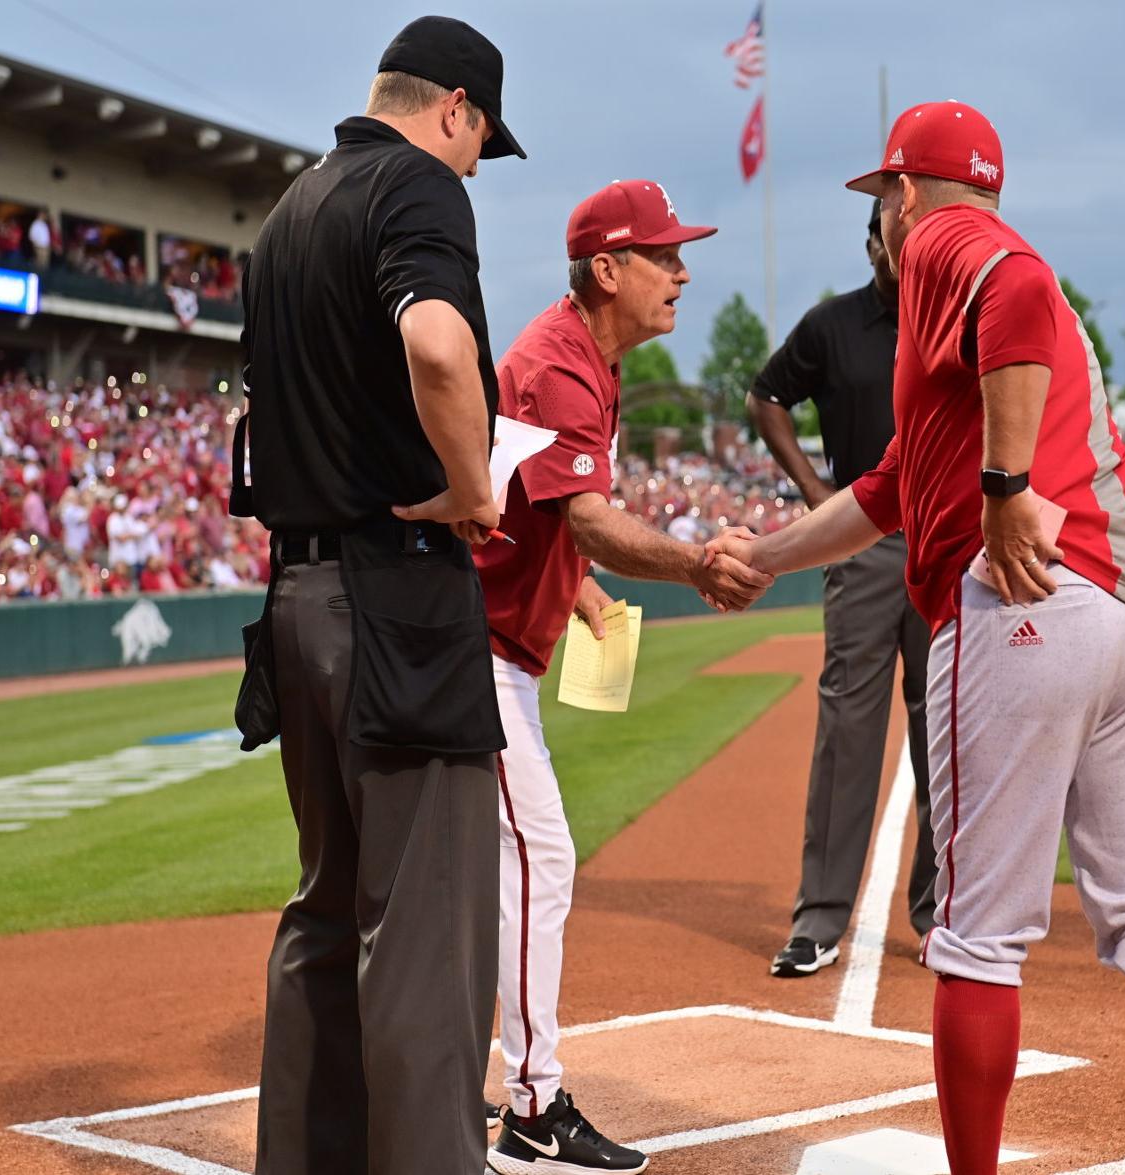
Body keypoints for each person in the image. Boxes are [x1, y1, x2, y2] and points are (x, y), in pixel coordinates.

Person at [709, 101, 1125, 1175]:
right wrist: (765, 554)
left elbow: (1021, 289)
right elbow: (892, 486)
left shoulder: (952, 246)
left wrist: (1004, 489)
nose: (885, 223)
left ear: (907, 194)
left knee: (974, 938)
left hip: (1027, 608)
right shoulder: (947, 321)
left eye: (883, 201)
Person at [235, 15, 527, 1174]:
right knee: (422, 936)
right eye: (478, 141)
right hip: (393, 599)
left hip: (296, 596)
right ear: (453, 106)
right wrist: (469, 486)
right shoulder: (411, 186)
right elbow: (442, 351)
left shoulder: (286, 210)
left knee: (323, 910)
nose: (472, 166)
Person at [477, 179, 768, 1175]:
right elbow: (587, 514)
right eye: (663, 254)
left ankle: (456, 1076)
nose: (682, 270)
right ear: (608, 269)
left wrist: (580, 586)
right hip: (465, 650)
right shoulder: (560, 362)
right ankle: (529, 1107)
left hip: (481, 639)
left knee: (494, 869)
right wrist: (692, 562)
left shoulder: (578, 353)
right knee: (539, 858)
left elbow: (537, 512)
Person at [747, 198, 936, 979]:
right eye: (891, 236)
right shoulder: (831, 326)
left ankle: (944, 914)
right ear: (871, 247)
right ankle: (820, 918)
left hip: (941, 544)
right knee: (846, 728)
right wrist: (814, 492)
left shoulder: (951, 319)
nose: (902, 248)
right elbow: (765, 396)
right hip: (860, 542)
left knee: (947, 733)